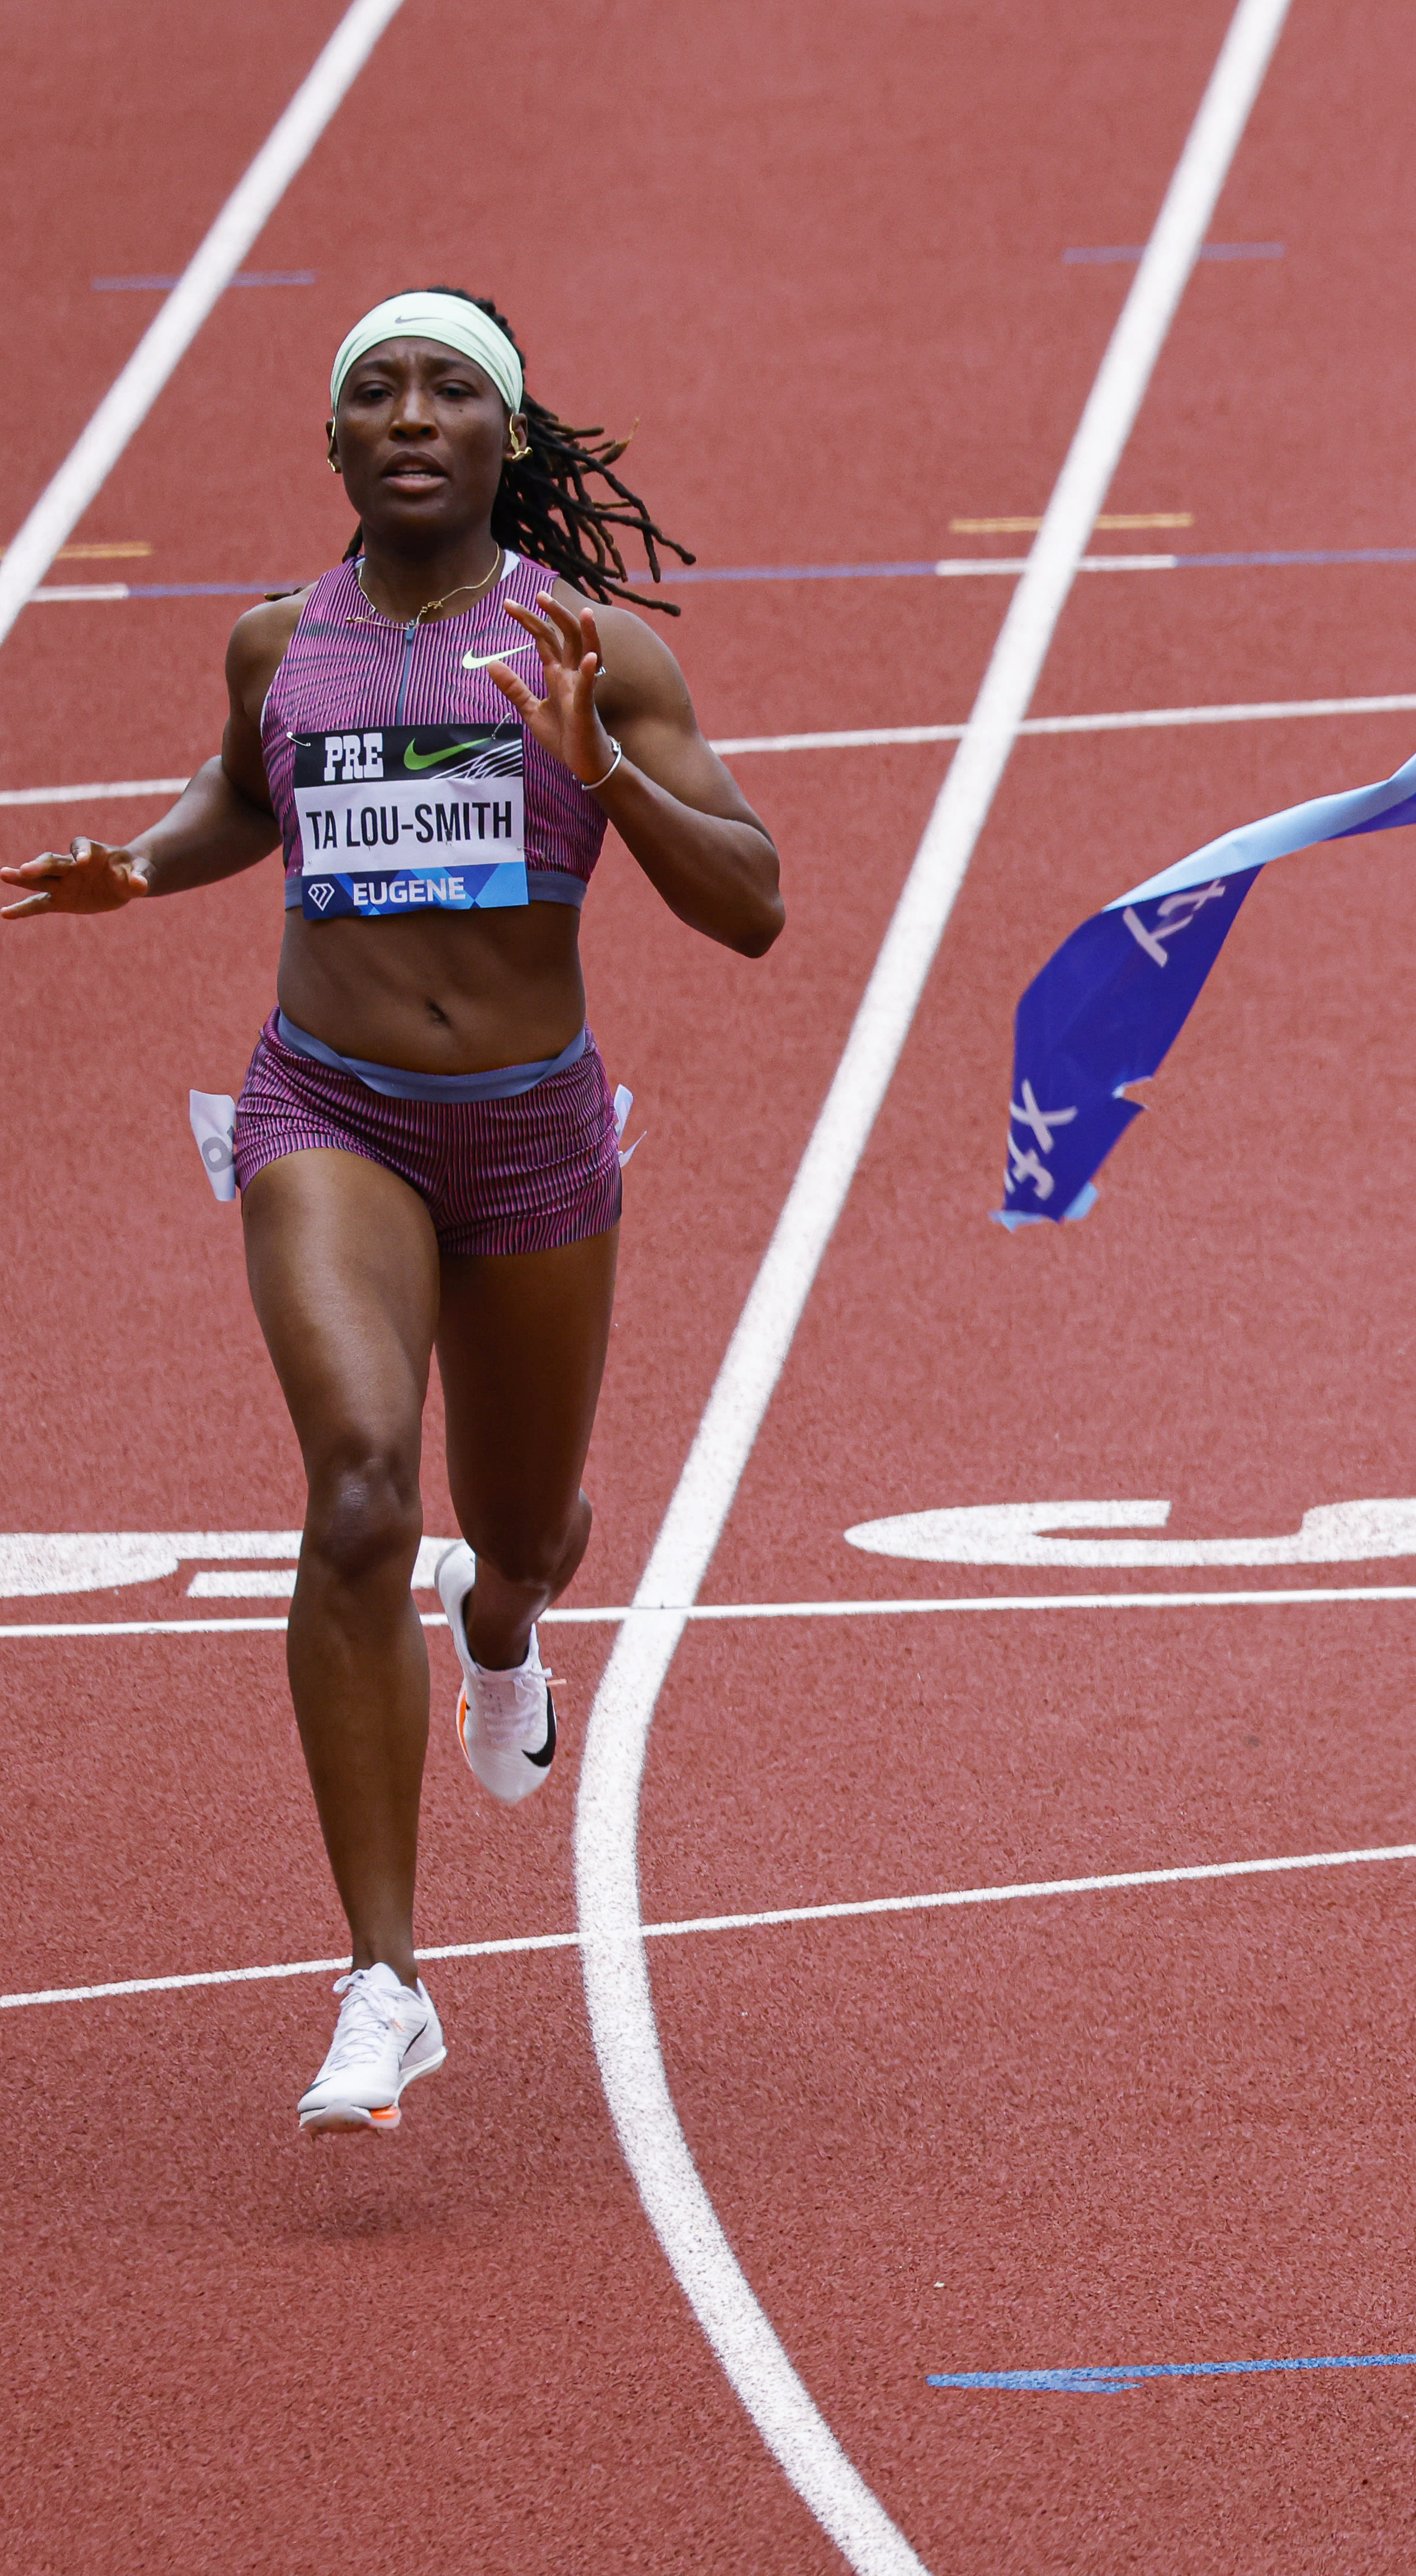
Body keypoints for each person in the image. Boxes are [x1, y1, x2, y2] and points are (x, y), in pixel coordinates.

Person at [4, 289, 781, 2128]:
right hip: (324, 1110)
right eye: (376, 390)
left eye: (451, 389)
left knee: (518, 1529)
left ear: (509, 439)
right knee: (358, 1484)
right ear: (333, 443)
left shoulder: (595, 650)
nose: (412, 413)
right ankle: (385, 1977)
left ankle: (501, 1632)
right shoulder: (282, 644)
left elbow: (752, 902)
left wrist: (600, 773)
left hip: (528, 1137)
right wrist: (139, 866)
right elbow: (236, 798)